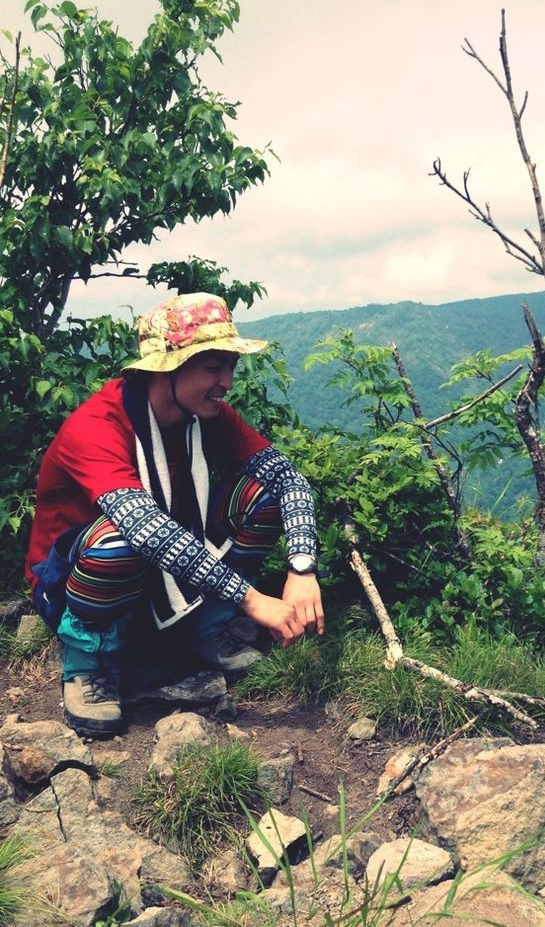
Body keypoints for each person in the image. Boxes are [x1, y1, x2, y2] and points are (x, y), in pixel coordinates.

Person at [25, 292, 326, 739]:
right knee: (124, 538)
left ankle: (205, 626)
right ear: (168, 367)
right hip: (74, 584)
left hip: (158, 570)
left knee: (263, 493)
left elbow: (289, 481)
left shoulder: (204, 416)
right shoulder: (96, 427)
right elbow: (146, 529)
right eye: (212, 367)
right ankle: (90, 661)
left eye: (229, 367)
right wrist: (252, 598)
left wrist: (302, 567)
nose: (227, 382)